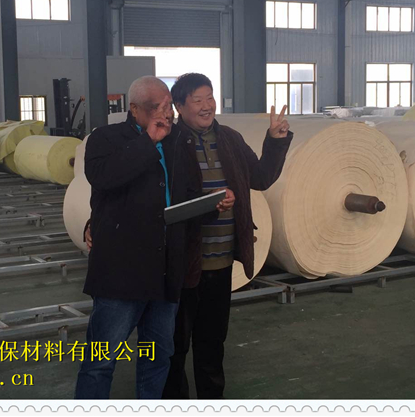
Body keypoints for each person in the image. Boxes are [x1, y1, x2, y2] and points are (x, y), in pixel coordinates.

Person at [74, 75, 232, 400]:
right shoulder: (105, 139)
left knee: (158, 358)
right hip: (121, 275)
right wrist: (149, 140)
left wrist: (211, 205)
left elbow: (185, 198)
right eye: (155, 107)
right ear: (134, 109)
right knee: (100, 362)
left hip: (165, 274)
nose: (165, 114)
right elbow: (105, 178)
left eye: (168, 106)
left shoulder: (177, 143)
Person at [161, 73, 293, 399]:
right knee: (174, 346)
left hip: (220, 264)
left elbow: (260, 178)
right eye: (198, 100)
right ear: (179, 106)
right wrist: (208, 203)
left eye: (210, 98)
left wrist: (275, 141)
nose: (207, 106)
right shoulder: (168, 143)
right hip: (180, 265)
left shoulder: (230, 139)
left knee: (212, 342)